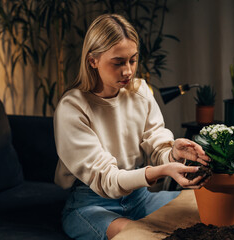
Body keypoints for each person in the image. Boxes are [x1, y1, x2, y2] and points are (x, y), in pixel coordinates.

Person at [53, 14, 211, 240]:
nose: (127, 71)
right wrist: (162, 171)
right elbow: (107, 180)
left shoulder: (140, 92)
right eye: (118, 62)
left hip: (141, 199)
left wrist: (172, 152)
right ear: (92, 61)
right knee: (139, 235)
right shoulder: (73, 107)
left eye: (133, 60)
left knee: (209, 209)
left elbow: (157, 144)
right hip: (92, 205)